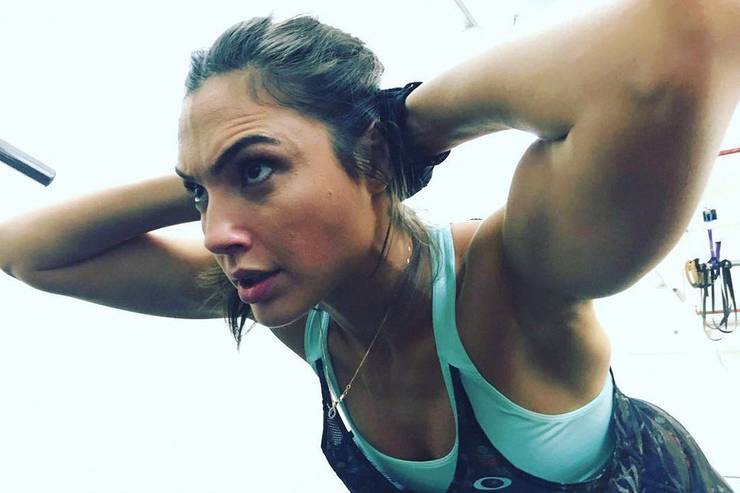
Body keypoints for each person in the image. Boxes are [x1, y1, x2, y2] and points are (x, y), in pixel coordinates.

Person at [1, 1, 738, 491]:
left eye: (256, 170)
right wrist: (209, 174)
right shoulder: (300, 309)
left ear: (374, 156)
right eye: (200, 198)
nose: (216, 233)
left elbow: (693, 30)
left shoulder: (510, 281)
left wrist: (414, 119)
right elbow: (25, 250)